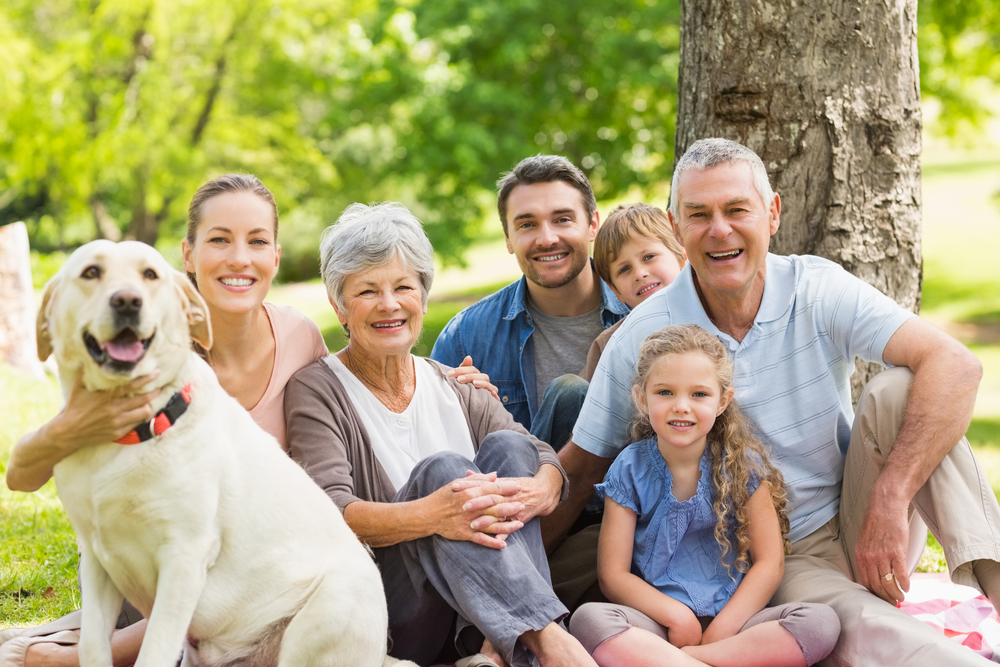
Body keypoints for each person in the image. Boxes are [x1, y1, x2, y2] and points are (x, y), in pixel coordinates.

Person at [548, 137, 1000, 666]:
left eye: (737, 210)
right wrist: (508, 608)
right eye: (699, 215)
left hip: (864, 515)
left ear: (772, 213)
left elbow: (957, 366)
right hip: (773, 557)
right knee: (859, 630)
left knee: (904, 388)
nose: (720, 230)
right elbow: (580, 472)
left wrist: (890, 499)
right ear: (676, 226)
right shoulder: (645, 334)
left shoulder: (814, 287)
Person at [1, 175, 332, 667]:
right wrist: (77, 428)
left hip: (246, 576)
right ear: (188, 255)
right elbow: (21, 475)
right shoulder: (137, 366)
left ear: (276, 257)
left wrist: (446, 376)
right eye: (219, 239)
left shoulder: (300, 336)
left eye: (257, 241)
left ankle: (78, 657)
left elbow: (345, 395)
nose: (240, 257)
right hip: (145, 577)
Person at [284, 201, 597, 667]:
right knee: (443, 471)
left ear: (423, 298)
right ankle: (549, 640)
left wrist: (543, 488)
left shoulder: (454, 385)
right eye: (367, 290)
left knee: (510, 447)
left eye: (403, 287)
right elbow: (331, 511)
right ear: (339, 306)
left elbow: (538, 453)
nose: (389, 304)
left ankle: (496, 649)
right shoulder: (316, 389)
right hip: (398, 615)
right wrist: (432, 513)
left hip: (475, 621)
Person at [569, 324, 839, 667]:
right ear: (641, 397)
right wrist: (676, 617)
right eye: (665, 392)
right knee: (589, 621)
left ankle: (693, 661)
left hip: (735, 626)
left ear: (723, 400)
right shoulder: (630, 468)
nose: (681, 406)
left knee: (818, 624)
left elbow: (769, 564)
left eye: (699, 394)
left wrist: (718, 634)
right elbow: (613, 575)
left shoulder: (744, 466)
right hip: (657, 627)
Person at [431, 155, 629, 453]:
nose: (547, 239)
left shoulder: (642, 313)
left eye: (563, 219)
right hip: (523, 494)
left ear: (592, 225)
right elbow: (438, 446)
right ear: (508, 239)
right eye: (527, 224)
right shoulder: (464, 338)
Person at [581, 202, 687, 382]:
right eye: (624, 269)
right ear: (615, 290)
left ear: (681, 255)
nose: (639, 274)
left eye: (649, 257)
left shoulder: (719, 317)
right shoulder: (610, 345)